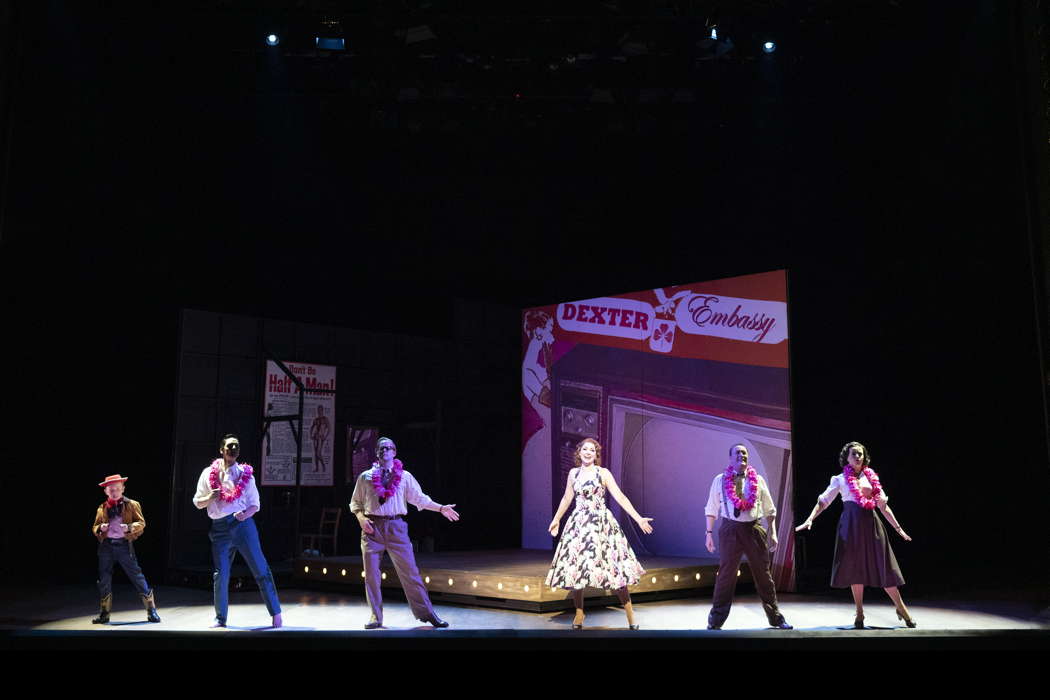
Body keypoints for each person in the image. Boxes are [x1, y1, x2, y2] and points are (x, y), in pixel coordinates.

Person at [795, 441, 915, 628]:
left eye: (860, 454)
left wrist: (898, 529)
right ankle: (859, 613)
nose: (857, 457)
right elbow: (823, 501)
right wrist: (810, 518)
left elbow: (883, 506)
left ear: (864, 457)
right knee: (855, 570)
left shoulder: (871, 478)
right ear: (847, 458)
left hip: (872, 526)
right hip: (850, 527)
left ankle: (901, 608)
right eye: (853, 454)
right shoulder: (840, 479)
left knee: (885, 568)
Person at [349, 436, 460, 629]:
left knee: (410, 573)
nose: (385, 451)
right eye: (381, 448)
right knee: (371, 576)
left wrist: (441, 508)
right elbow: (355, 503)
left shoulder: (405, 476)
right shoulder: (365, 476)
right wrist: (360, 519)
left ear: (395, 452)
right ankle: (376, 616)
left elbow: (420, 499)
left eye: (389, 448)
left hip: (396, 527)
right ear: (376, 452)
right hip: (372, 527)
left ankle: (428, 613)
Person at [545, 437, 652, 630]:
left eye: (592, 450)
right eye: (585, 449)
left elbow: (620, 496)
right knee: (577, 570)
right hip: (579, 525)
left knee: (614, 570)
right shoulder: (573, 474)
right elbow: (567, 497)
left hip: (601, 525)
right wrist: (557, 518)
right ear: (579, 452)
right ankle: (579, 614)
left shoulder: (603, 473)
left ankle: (630, 615)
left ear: (596, 455)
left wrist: (638, 518)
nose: (588, 452)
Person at [193, 434, 282, 628]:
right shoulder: (209, 473)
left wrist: (245, 514)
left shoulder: (245, 474)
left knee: (260, 567)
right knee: (221, 574)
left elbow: (255, 504)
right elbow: (197, 502)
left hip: (242, 526)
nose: (233, 450)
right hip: (219, 529)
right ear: (221, 450)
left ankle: (276, 613)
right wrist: (210, 497)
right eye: (229, 446)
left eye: (237, 447)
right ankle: (220, 618)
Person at [704, 443, 792, 630]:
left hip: (754, 529)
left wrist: (773, 532)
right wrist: (709, 534)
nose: (741, 456)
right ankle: (715, 621)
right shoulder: (720, 480)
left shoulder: (757, 480)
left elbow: (770, 509)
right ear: (730, 458)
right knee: (725, 576)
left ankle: (776, 618)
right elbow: (711, 509)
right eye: (737, 453)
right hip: (730, 530)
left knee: (763, 575)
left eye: (744, 453)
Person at [91, 474, 161, 624]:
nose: (114, 492)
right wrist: (100, 528)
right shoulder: (102, 508)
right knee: (104, 578)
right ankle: (104, 613)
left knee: (136, 575)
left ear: (123, 488)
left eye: (117, 489)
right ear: (106, 491)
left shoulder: (132, 504)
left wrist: (129, 527)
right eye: (111, 489)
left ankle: (151, 610)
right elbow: (94, 527)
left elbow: (141, 523)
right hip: (106, 546)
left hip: (123, 545)